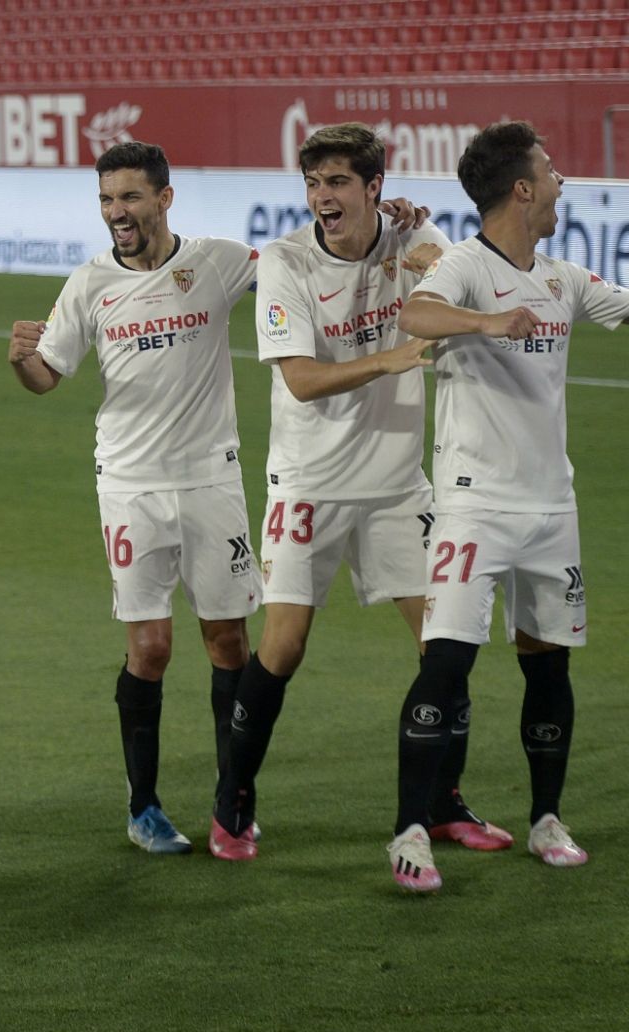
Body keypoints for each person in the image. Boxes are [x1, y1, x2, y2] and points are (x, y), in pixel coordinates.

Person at [211, 123, 512, 860]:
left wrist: (432, 257)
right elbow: (302, 381)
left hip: (396, 488)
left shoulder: (412, 236)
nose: (323, 198)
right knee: (282, 647)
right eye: (314, 184)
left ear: (375, 187)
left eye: (339, 182)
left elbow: (454, 274)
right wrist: (392, 360)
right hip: (308, 485)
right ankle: (232, 804)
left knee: (446, 646)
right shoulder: (284, 263)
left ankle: (443, 803)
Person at [386, 121, 624, 891]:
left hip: (550, 507)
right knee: (447, 661)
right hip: (473, 505)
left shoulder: (563, 279)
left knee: (547, 666)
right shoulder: (462, 265)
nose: (561, 184)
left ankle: (547, 819)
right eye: (551, 171)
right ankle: (412, 831)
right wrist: (488, 322)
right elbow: (416, 316)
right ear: (521, 188)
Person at [6, 142, 262, 856]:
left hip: (212, 478)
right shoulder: (88, 285)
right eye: (106, 201)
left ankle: (232, 796)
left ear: (165, 198)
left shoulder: (217, 262)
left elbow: (304, 262)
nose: (117, 214)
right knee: (150, 647)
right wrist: (22, 358)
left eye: (129, 198)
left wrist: (396, 227)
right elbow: (47, 377)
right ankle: (144, 806)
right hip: (129, 484)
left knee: (229, 642)